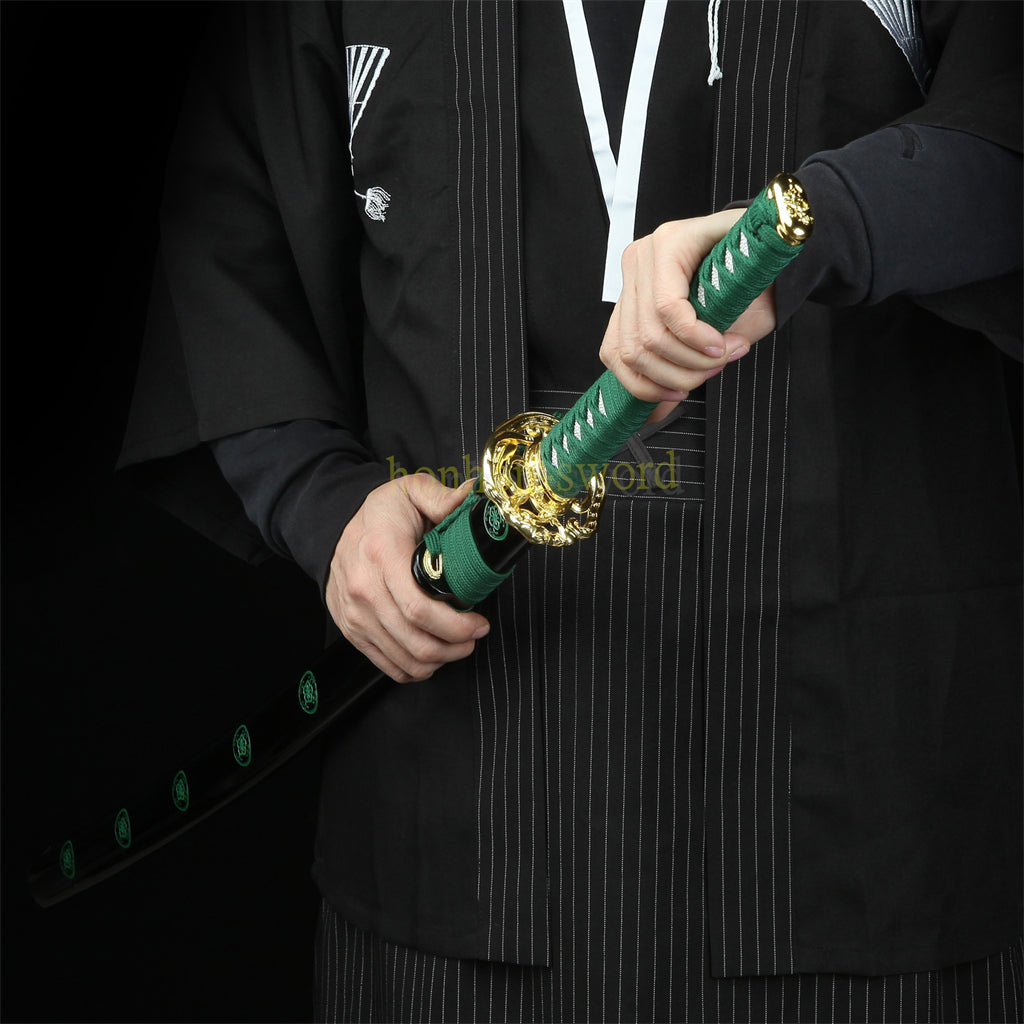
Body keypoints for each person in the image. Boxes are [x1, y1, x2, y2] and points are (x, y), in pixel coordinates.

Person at [118, 1, 1023, 1020]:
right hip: (453, 819)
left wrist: (826, 220)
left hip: (858, 811)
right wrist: (326, 508)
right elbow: (230, 249)